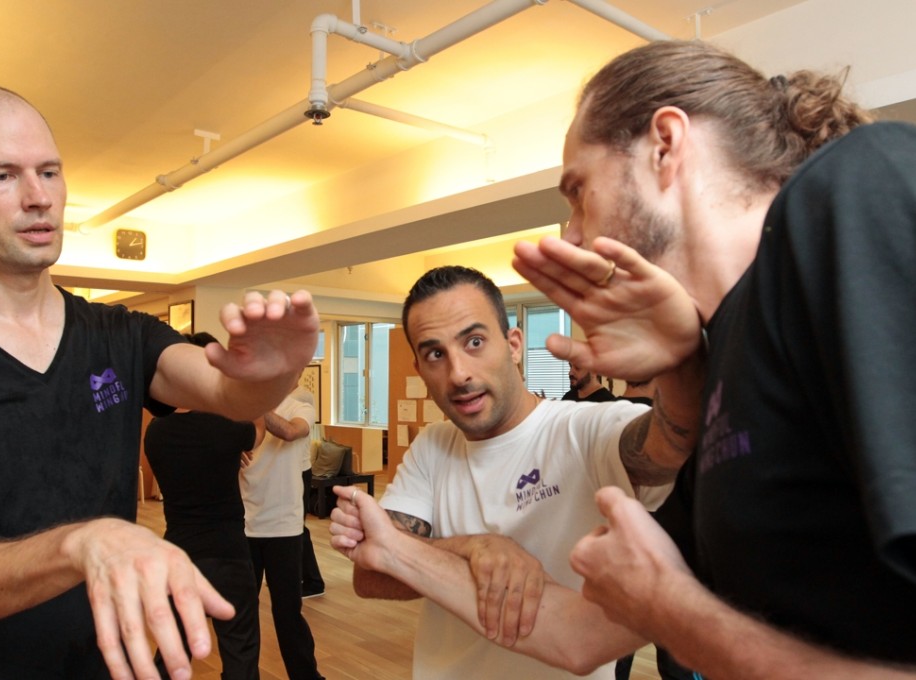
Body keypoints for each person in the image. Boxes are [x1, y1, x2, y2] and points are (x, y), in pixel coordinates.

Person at [514, 40, 916, 677]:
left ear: (665, 146)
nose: (570, 232)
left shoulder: (851, 188)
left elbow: (668, 608)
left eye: (578, 189)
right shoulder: (723, 351)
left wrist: (668, 609)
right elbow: (582, 638)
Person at [0, 83, 319, 680]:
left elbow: (228, 393)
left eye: (49, 171)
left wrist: (275, 371)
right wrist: (78, 546)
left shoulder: (121, 334)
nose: (39, 197)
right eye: (2, 176)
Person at [331, 265, 693, 680]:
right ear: (419, 367)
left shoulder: (584, 429)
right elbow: (372, 573)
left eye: (475, 342)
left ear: (514, 343)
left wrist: (684, 362)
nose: (459, 373)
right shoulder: (432, 446)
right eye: (436, 354)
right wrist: (474, 547)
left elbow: (668, 447)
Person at [143, 331, 267, 680]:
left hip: (179, 555)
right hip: (228, 554)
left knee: (171, 654)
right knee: (240, 653)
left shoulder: (157, 431)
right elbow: (258, 428)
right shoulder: (227, 426)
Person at [240, 388, 325, 680]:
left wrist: (253, 402)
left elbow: (290, 432)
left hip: (284, 528)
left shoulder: (300, 407)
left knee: (287, 614)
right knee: (243, 613)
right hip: (245, 524)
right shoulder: (235, 411)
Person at [295, 387, 326, 599]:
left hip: (299, 469)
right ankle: (293, 575)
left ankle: (314, 581)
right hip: (286, 469)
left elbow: (290, 431)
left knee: (297, 526)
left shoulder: (302, 396)